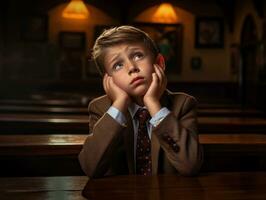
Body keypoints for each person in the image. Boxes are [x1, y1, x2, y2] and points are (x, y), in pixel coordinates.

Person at [79, 25, 203, 178]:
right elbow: (90, 167)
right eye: (118, 65)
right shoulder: (101, 108)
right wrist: (119, 105)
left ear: (159, 63)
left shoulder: (183, 104)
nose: (132, 68)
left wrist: (153, 103)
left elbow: (190, 165)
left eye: (138, 56)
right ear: (109, 80)